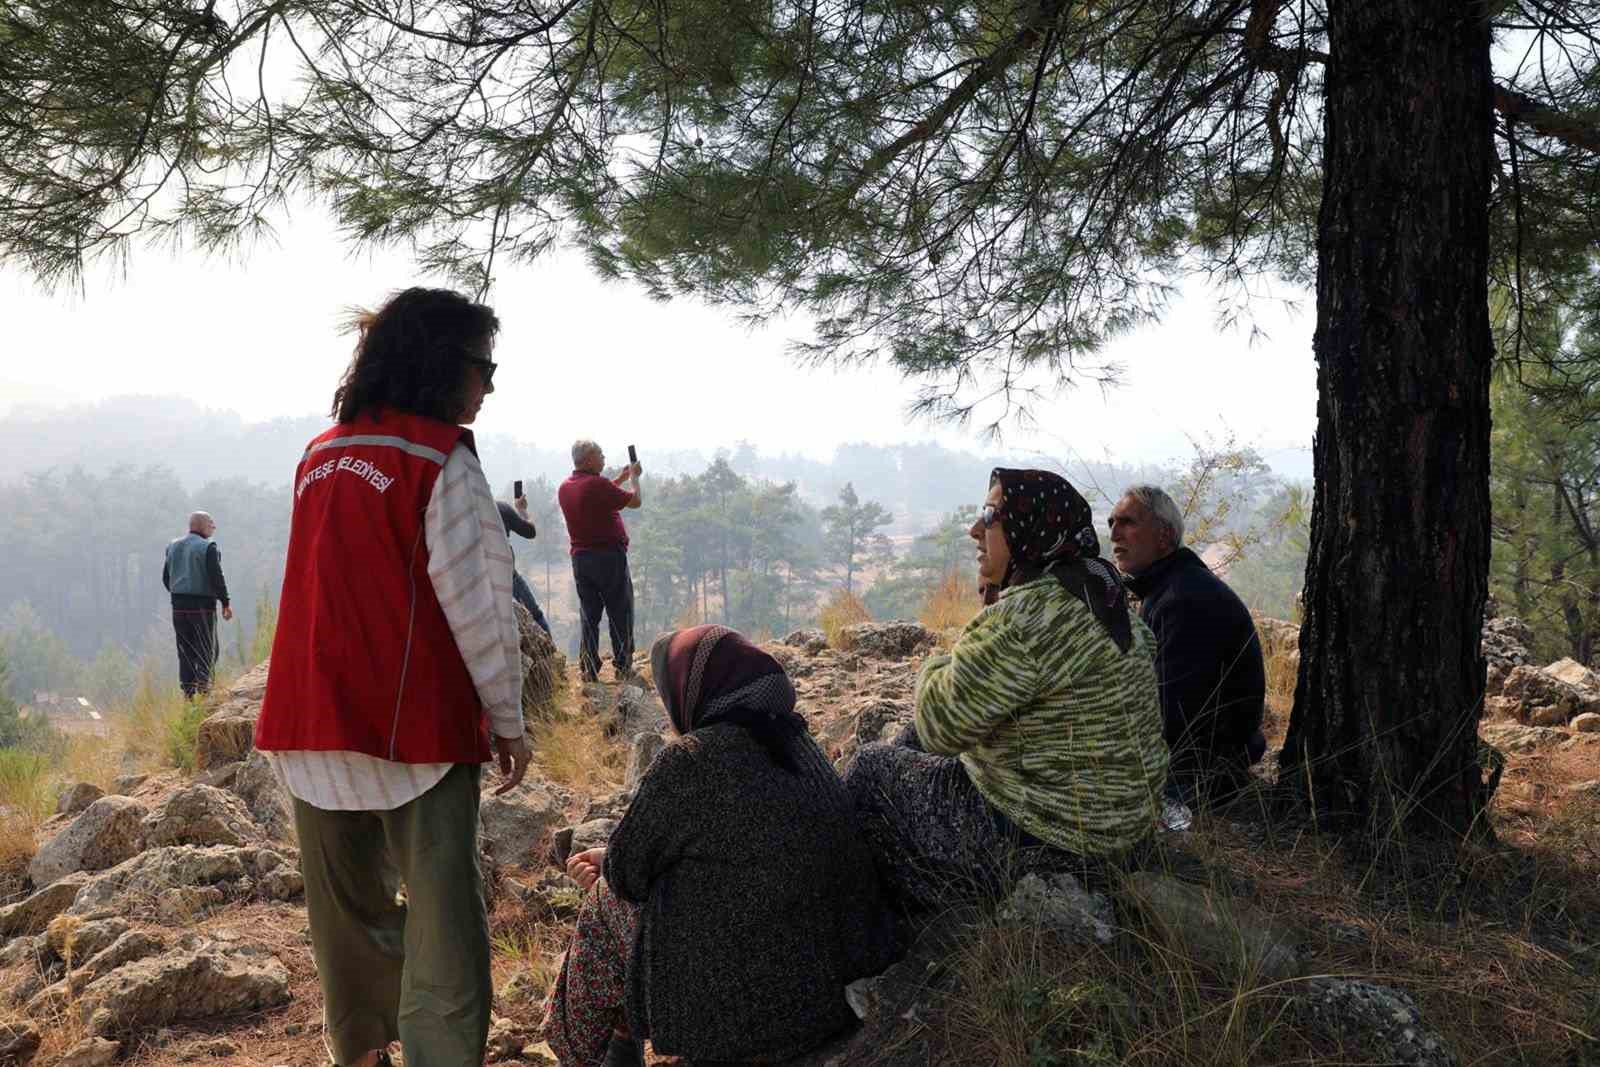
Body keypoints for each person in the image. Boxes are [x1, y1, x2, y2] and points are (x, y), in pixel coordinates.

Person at [254, 286, 532, 1067]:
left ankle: (364, 1052)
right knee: (445, 926)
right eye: (484, 364)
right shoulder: (439, 459)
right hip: (414, 732)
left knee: (344, 924)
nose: (490, 383)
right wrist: (507, 719)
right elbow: (479, 605)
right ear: (444, 365)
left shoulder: (320, 454)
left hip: (309, 723)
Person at [541, 625, 895, 1067]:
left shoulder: (691, 760)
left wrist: (606, 865)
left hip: (741, 1016)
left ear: (690, 693)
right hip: (825, 998)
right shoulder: (799, 744)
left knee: (604, 906)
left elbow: (627, 875)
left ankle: (590, 1055)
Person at [845, 469, 1169, 915]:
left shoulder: (1030, 616)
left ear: (1030, 525)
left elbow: (940, 724)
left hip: (1053, 841)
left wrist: (945, 657)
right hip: (1120, 832)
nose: (975, 529)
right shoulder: (1101, 597)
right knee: (910, 740)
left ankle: (905, 911)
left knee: (870, 767)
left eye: (990, 514)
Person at [1108, 485, 1267, 805]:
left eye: (1127, 522)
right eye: (1111, 522)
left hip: (1199, 779)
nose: (1114, 534)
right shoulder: (1170, 587)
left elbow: (1173, 719)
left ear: (1164, 536)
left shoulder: (1182, 600)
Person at [557, 441, 641, 682]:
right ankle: (623, 666)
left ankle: (588, 667)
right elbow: (636, 501)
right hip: (608, 559)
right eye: (600, 455)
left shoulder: (566, 487)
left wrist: (620, 478)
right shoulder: (597, 484)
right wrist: (634, 477)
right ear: (589, 459)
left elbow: (598, 495)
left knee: (590, 614)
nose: (604, 458)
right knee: (620, 611)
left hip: (581, 560)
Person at [162, 510, 232, 698]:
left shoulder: (172, 546)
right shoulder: (208, 547)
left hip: (178, 607)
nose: (213, 526)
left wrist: (179, 594)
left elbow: (166, 578)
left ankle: (188, 693)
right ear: (200, 525)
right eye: (210, 522)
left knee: (184, 650)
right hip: (202, 607)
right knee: (207, 648)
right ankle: (204, 689)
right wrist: (225, 602)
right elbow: (216, 577)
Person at [498, 495, 552, 635]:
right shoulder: (500, 508)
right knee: (534, 616)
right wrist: (522, 510)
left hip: (480, 582)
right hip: (508, 575)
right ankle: (552, 655)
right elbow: (530, 531)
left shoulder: (462, 519)